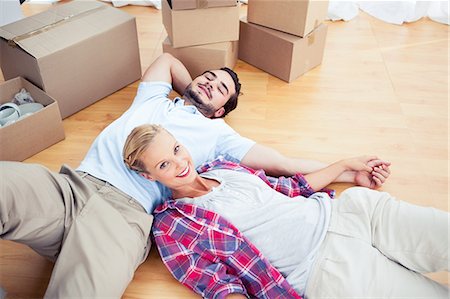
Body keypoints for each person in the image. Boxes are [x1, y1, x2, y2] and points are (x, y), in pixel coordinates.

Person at [1, 53, 387, 298]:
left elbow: (283, 164)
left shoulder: (220, 136)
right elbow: (167, 60)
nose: (209, 83)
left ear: (222, 111)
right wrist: (189, 89)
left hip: (124, 217)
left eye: (220, 89)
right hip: (71, 185)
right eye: (208, 77)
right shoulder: (151, 99)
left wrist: (346, 167)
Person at [123, 124, 449, 299]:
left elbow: (289, 188)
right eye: (164, 163)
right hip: (327, 269)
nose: (181, 163)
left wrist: (344, 166)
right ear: (148, 175)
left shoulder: (221, 166)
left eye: (177, 149)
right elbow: (215, 284)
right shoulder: (171, 225)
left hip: (351, 214)